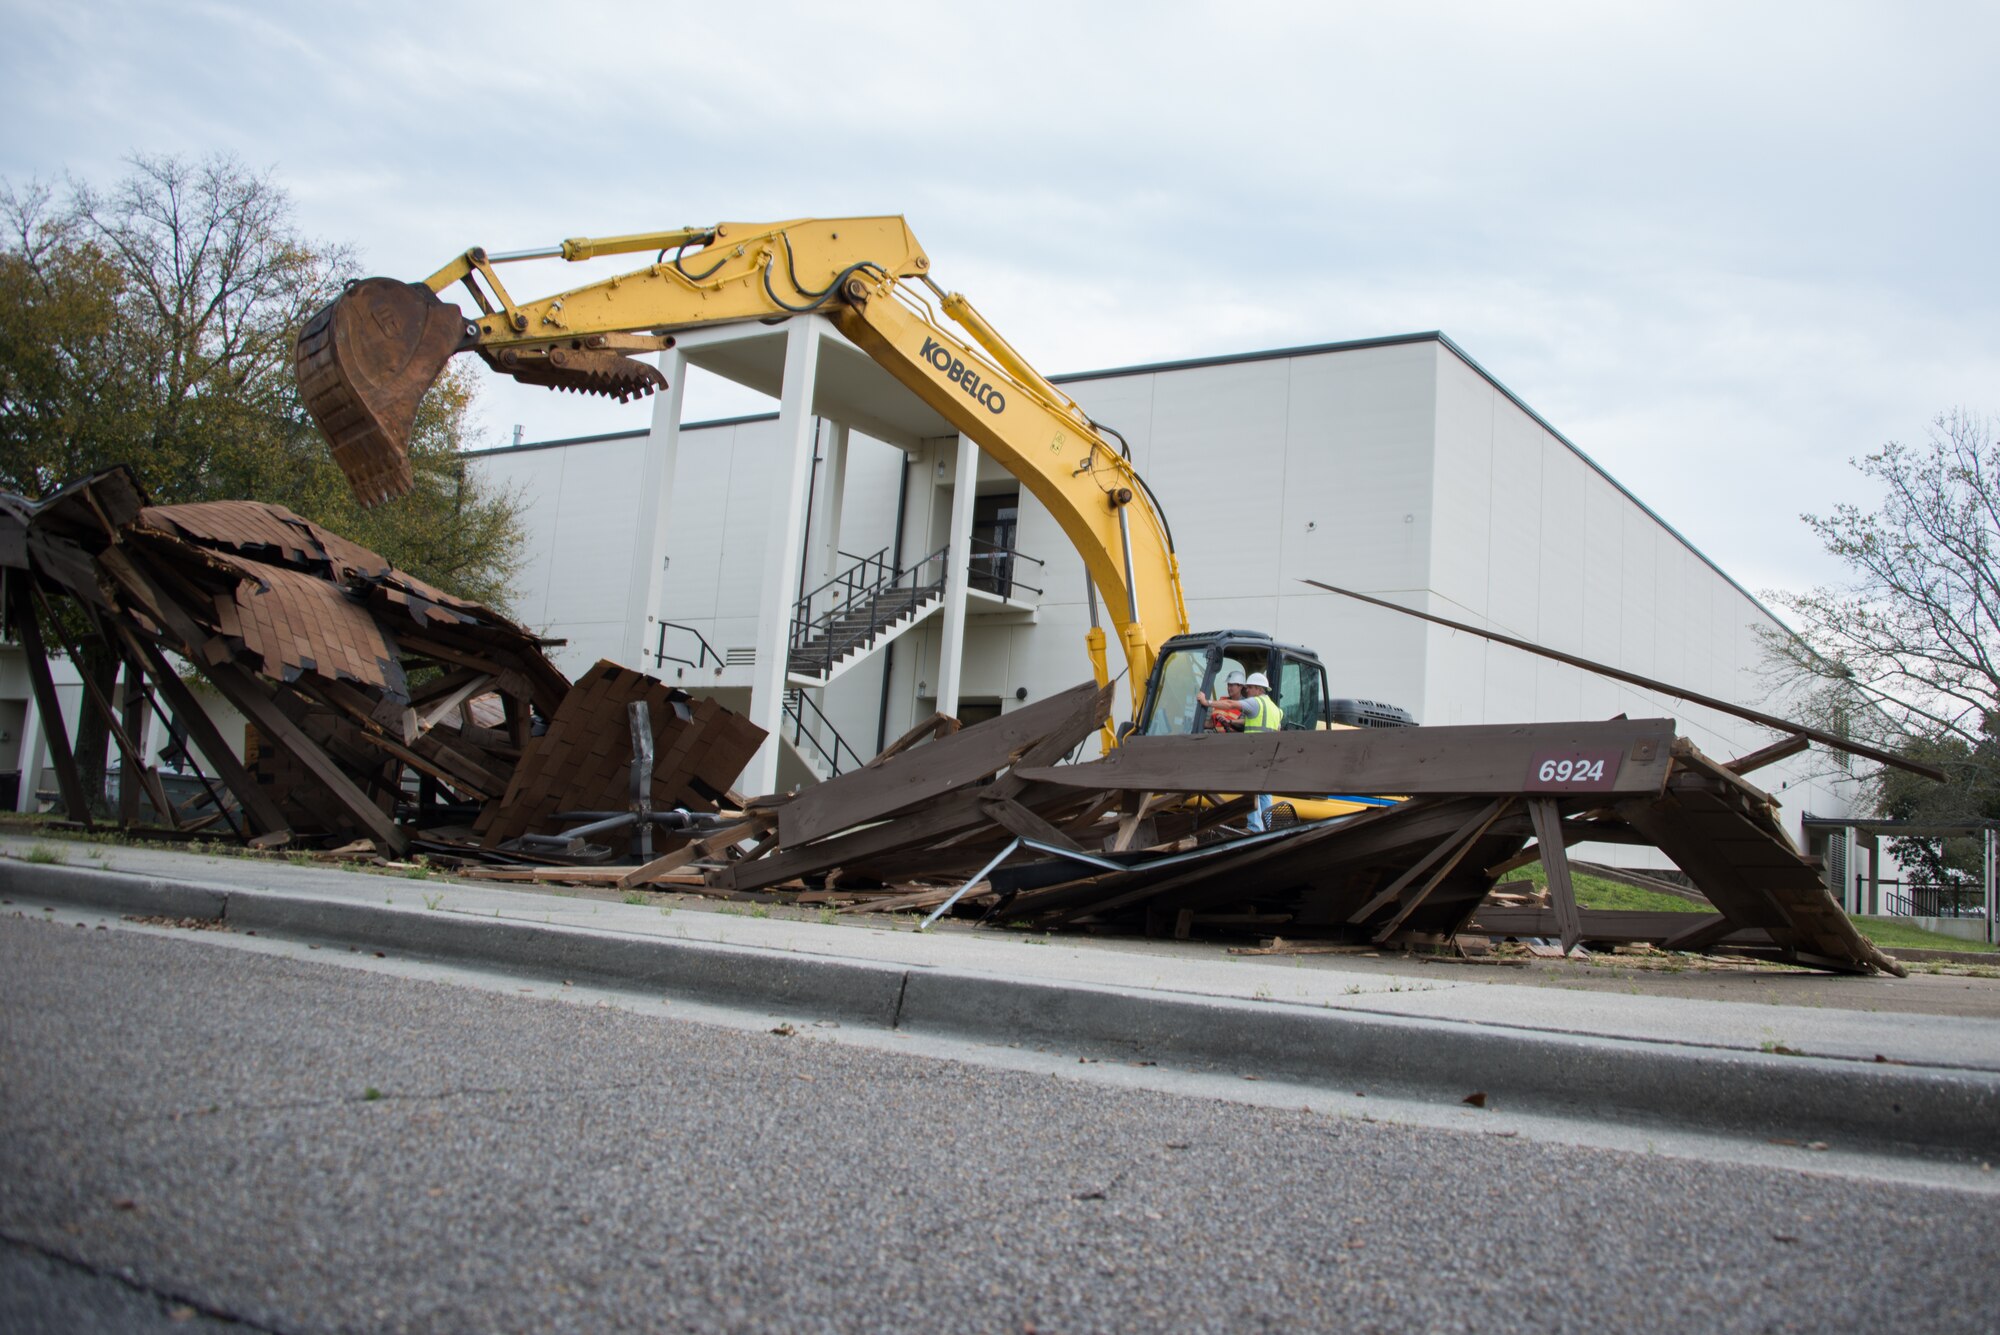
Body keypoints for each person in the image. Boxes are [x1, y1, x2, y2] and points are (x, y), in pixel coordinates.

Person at [1196, 671, 1285, 829]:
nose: (1247, 691)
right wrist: (1232, 722)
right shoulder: (1276, 710)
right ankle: (1267, 828)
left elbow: (1231, 705)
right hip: (1268, 757)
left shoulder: (1255, 702)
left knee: (1252, 791)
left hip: (1254, 755)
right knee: (1265, 793)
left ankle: (1254, 828)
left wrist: (1206, 702)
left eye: (1249, 688)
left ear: (1258, 689)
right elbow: (1270, 727)